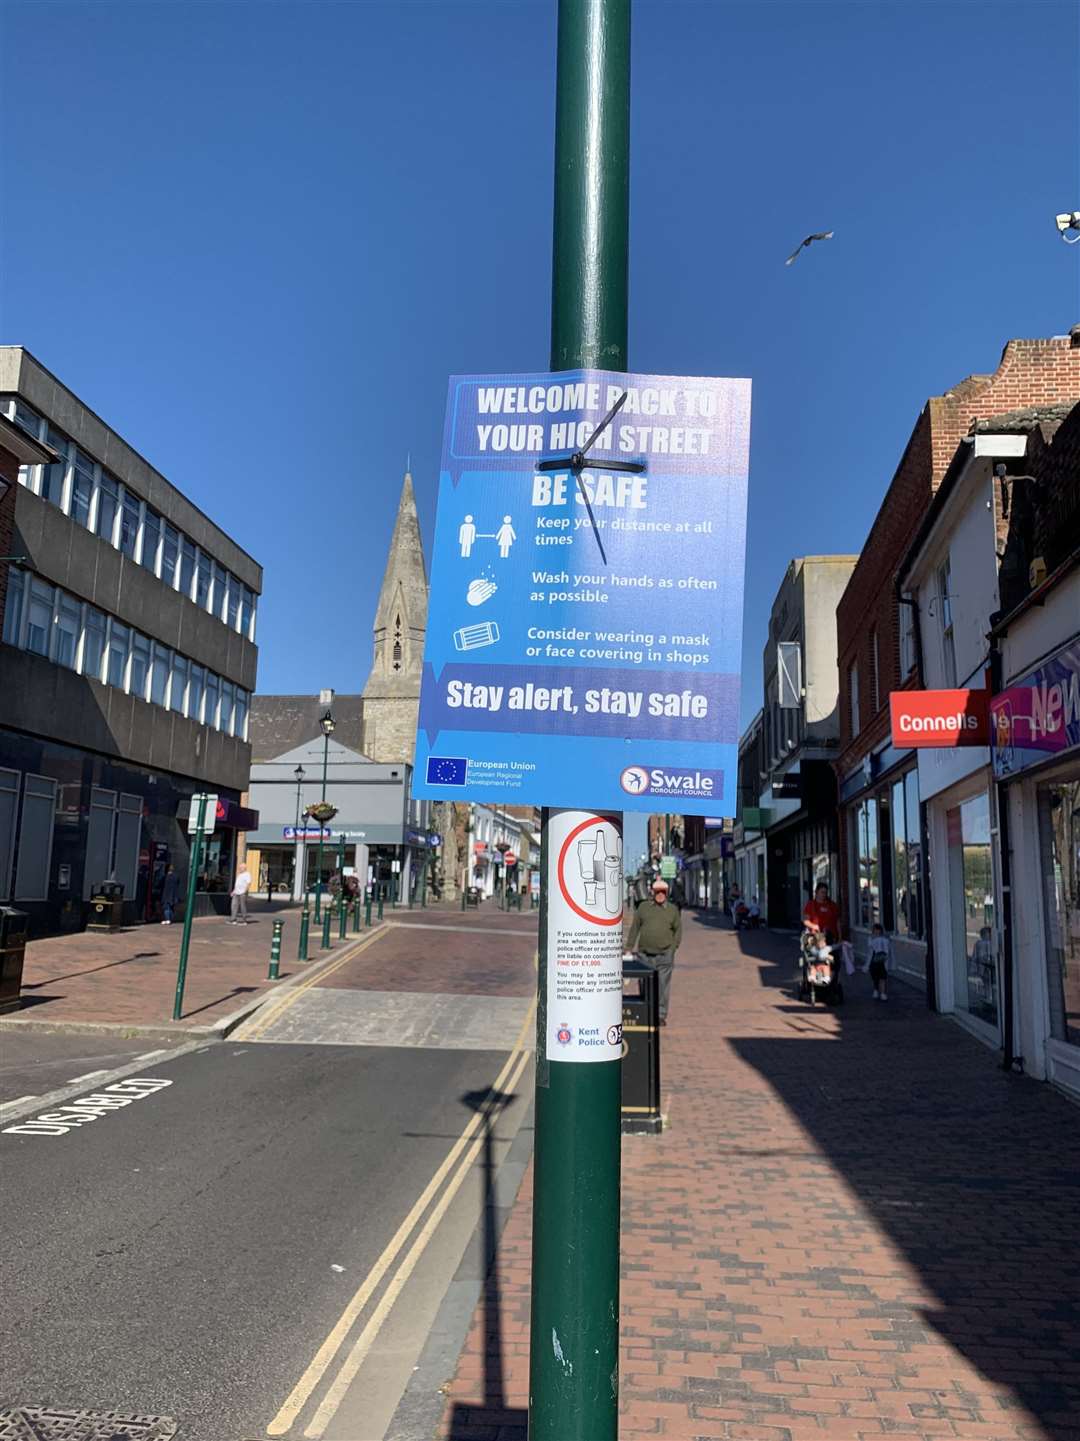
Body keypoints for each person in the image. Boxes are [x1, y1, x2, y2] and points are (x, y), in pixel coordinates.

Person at [625, 877, 682, 1026]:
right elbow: (635, 928)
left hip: (664, 955)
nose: (660, 895)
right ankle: (645, 1012)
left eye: (663, 892)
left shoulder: (672, 910)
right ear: (652, 892)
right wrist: (629, 948)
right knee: (645, 985)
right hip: (645, 955)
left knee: (662, 986)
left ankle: (660, 1015)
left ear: (667, 893)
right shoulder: (643, 908)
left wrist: (673, 947)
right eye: (658, 892)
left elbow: (678, 930)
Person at [868, 921, 892, 1001]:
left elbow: (888, 949)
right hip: (874, 961)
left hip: (882, 961)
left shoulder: (884, 939)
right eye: (875, 930)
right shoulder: (871, 938)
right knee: (875, 977)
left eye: (878, 930)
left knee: (883, 977)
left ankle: (883, 993)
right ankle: (876, 990)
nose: (877, 932)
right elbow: (870, 947)